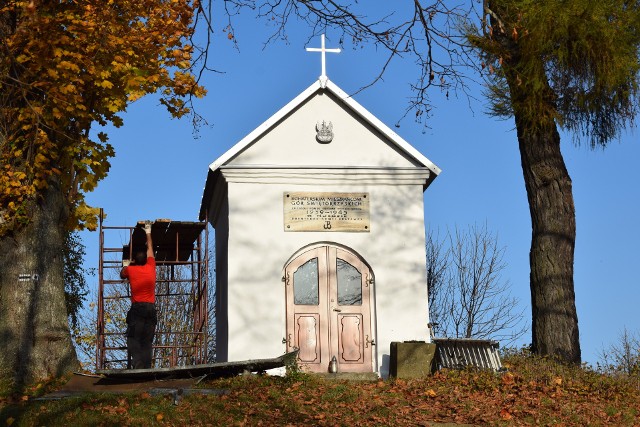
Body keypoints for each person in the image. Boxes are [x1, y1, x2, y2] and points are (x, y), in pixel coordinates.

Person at [120, 221, 157, 369]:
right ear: (146, 260)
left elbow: (122, 274)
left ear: (135, 260)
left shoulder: (131, 270)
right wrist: (148, 231)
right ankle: (147, 367)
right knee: (147, 341)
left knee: (133, 338)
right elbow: (150, 249)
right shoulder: (151, 267)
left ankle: (138, 365)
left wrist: (127, 264)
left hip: (138, 310)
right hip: (151, 309)